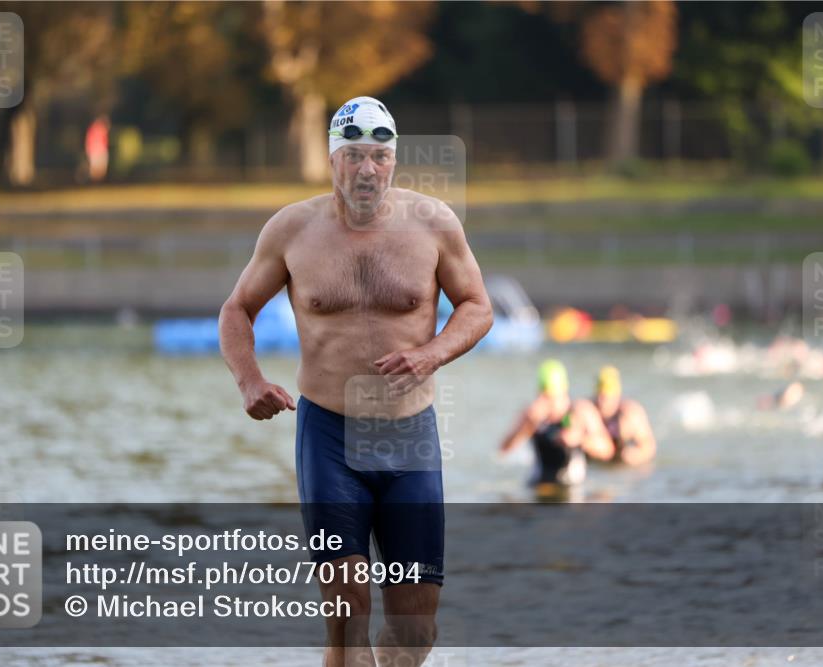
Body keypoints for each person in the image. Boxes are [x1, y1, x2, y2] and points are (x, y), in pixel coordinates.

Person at [219, 96, 493, 667]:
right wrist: (249, 382)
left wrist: (431, 354)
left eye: (379, 156)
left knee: (415, 631)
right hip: (329, 440)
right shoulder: (292, 229)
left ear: (393, 161)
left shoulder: (435, 224)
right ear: (332, 159)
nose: (367, 170)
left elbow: (477, 307)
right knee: (347, 620)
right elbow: (236, 309)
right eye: (353, 156)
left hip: (409, 438)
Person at [498, 360, 613, 493]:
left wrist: (580, 439)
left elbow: (607, 450)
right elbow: (504, 450)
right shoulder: (532, 413)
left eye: (551, 398)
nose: (548, 403)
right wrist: (527, 426)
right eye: (544, 397)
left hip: (572, 486)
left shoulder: (581, 411)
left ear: (563, 393)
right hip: (539, 483)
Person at [585, 366, 656, 465]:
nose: (601, 402)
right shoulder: (588, 409)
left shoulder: (630, 413)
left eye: (605, 397)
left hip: (620, 458)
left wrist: (636, 455)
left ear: (617, 396)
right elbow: (566, 419)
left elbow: (648, 446)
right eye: (599, 396)